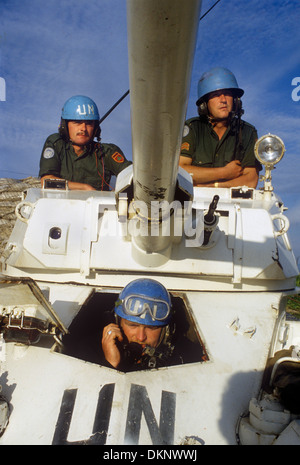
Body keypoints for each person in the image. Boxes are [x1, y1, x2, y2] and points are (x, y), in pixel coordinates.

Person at [179, 67, 261, 188]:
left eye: (227, 94)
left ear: (236, 101)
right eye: (216, 95)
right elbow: (181, 171)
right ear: (204, 104)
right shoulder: (192, 128)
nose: (223, 100)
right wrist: (225, 172)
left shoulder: (248, 132)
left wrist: (213, 185)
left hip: (234, 204)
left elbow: (250, 180)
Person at [101, 278, 205, 371]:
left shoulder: (189, 361)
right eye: (132, 325)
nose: (141, 337)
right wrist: (111, 364)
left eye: (152, 328)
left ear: (166, 331)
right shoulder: (90, 351)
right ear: (117, 323)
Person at [39, 95, 131, 191]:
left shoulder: (107, 152)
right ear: (65, 126)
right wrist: (85, 188)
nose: (83, 128)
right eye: (77, 122)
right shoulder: (56, 144)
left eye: (89, 123)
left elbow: (132, 174)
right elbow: (46, 182)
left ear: (95, 128)